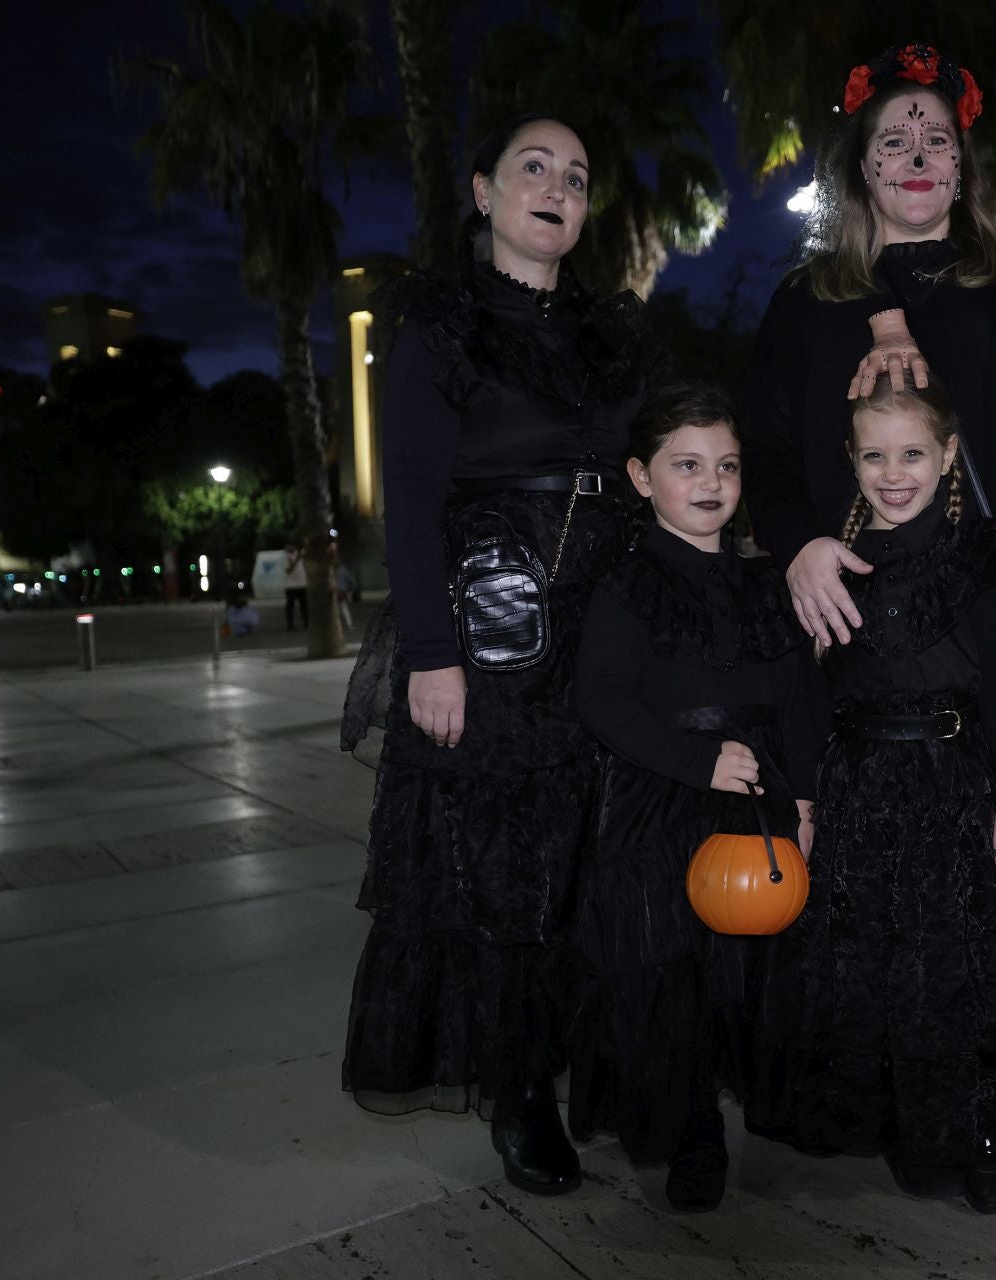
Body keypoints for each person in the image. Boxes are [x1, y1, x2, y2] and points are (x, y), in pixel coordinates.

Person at [740, 41, 996, 1132]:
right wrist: (799, 547)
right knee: (894, 865)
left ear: (963, 168)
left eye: (935, 140)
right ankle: (913, 1065)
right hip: (869, 630)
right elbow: (768, 458)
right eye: (892, 141)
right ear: (863, 169)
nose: (916, 155)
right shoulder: (806, 304)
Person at [337, 112, 660, 1198]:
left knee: (597, 858)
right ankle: (520, 1086)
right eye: (535, 166)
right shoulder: (437, 319)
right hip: (491, 626)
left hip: (604, 621)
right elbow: (415, 496)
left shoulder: (614, 334)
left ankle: (598, 1067)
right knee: (507, 871)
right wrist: (432, 653)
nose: (557, 185)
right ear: (483, 191)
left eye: (576, 173)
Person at [744, 374, 996, 1215]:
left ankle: (977, 1129)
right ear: (851, 462)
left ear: (948, 457)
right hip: (860, 788)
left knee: (960, 963)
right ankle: (907, 1125)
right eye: (876, 455)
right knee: (876, 963)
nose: (896, 472)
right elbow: (810, 699)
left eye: (914, 453)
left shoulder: (976, 556)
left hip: (958, 785)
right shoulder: (828, 567)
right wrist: (807, 802)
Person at [568, 381, 826, 1213]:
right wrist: (693, 760)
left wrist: (808, 800)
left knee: (754, 968)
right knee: (670, 978)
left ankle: (769, 1101)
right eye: (687, 465)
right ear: (643, 478)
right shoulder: (626, 586)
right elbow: (603, 700)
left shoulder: (764, 584)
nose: (711, 482)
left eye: (726, 465)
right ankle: (691, 1133)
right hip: (663, 801)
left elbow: (797, 699)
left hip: (758, 800)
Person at [283, 544, 308, 630]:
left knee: (304, 605)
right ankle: (290, 624)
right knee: (290, 606)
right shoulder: (284, 556)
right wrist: (296, 559)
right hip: (290, 585)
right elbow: (288, 570)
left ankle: (306, 623)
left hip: (302, 583)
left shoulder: (301, 554)